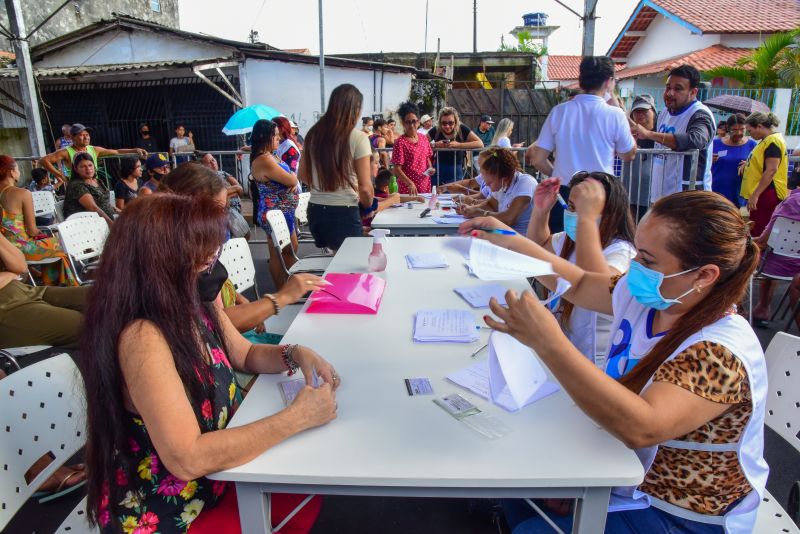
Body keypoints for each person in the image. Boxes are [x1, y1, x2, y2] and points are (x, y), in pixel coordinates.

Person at [461, 190, 767, 534]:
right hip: (618, 473)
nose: (634, 268)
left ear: (704, 275)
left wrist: (549, 342)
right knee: (520, 484)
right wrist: (505, 237)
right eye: (637, 254)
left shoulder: (719, 352)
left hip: (679, 513)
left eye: (648, 262)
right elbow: (575, 282)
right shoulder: (651, 298)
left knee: (530, 526)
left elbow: (642, 427)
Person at [78, 193, 339, 533]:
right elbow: (188, 458)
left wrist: (296, 353)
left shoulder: (192, 299)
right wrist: (297, 417)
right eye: (203, 258)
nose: (212, 266)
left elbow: (244, 353)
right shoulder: (143, 338)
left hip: (219, 480)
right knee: (300, 497)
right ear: (162, 262)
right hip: (174, 513)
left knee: (305, 492)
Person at [161, 162, 328, 334]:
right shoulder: (173, 267)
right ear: (186, 211)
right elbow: (216, 324)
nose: (224, 219)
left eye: (225, 209)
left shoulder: (199, 248)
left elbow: (218, 284)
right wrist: (279, 298)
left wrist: (245, 302)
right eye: (216, 211)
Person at [527, 172, 637, 365]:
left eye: (586, 208)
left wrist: (585, 221)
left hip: (592, 361)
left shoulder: (621, 251)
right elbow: (537, 247)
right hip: (561, 350)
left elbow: (599, 287)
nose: (574, 214)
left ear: (609, 212)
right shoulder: (570, 240)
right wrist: (541, 210)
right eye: (571, 207)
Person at [529, 56, 636, 233]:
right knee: (598, 247)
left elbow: (538, 159)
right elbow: (628, 154)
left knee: (558, 247)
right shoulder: (615, 115)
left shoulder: (559, 111)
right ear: (609, 82)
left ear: (580, 80)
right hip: (601, 191)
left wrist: (558, 175)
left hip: (565, 192)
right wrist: (620, 109)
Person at [299, 84, 374, 251]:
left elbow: (302, 174)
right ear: (355, 109)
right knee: (353, 265)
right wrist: (368, 206)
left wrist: (324, 186)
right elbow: (366, 188)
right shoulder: (358, 138)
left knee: (336, 261)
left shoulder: (312, 134)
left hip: (316, 211)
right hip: (344, 212)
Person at [631, 65, 716, 202]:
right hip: (660, 195)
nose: (670, 93)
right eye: (668, 87)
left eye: (678, 89)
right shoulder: (664, 113)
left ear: (693, 92)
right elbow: (656, 144)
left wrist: (649, 134)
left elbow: (696, 140)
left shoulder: (700, 114)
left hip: (688, 198)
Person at [0, 155, 78, 286]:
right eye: (18, 169)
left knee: (51, 242)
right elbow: (32, 230)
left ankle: (43, 278)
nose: (19, 172)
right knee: (58, 244)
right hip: (21, 249)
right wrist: (44, 235)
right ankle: (54, 284)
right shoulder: (22, 193)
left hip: (4, 251)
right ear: (11, 172)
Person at [251, 119, 300, 289]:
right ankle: (281, 290)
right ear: (265, 137)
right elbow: (292, 178)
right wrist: (292, 182)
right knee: (279, 253)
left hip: (284, 211)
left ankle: (285, 286)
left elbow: (292, 180)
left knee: (289, 249)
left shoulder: (272, 156)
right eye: (276, 136)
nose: (279, 139)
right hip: (274, 212)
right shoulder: (265, 160)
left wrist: (292, 182)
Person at [752, 173, 800, 326]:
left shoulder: (789, 203)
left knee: (762, 252)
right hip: (798, 267)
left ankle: (762, 307)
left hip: (774, 265)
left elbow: (765, 239)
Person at [456, 148, 536, 235]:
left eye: (490, 183)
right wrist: (471, 209)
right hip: (506, 235)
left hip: (522, 239)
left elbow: (508, 219)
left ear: (504, 178)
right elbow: (490, 205)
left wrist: (479, 212)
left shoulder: (526, 183)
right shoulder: (502, 184)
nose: (486, 185)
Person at [39, 123, 147, 184]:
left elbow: (117, 151)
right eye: (82, 135)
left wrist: (135, 149)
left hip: (93, 183)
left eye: (87, 134)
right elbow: (43, 160)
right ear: (72, 138)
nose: (86, 137)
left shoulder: (94, 149)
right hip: (76, 186)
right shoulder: (66, 152)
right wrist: (61, 175)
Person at [741, 111, 788, 237]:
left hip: (766, 192)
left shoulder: (772, 142)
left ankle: (759, 255)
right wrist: (748, 165)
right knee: (756, 226)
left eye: (750, 130)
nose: (749, 134)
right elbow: (763, 163)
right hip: (763, 191)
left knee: (759, 229)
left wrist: (755, 194)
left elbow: (771, 170)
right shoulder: (766, 141)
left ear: (760, 126)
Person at [623, 94, 657, 221]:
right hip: (629, 196)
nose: (640, 114)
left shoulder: (659, 133)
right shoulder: (627, 133)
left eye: (644, 111)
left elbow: (645, 135)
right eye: (636, 111)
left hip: (652, 199)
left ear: (653, 111)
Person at [427, 107, 483, 184]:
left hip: (456, 168)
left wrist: (459, 145)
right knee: (435, 193)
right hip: (438, 168)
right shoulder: (436, 129)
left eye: (451, 123)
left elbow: (480, 143)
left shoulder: (461, 129)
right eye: (444, 123)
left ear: (456, 122)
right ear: (440, 122)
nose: (447, 126)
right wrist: (435, 144)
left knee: (453, 194)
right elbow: (420, 144)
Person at [199, 153, 249, 240]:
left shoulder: (223, 174)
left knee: (244, 235)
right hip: (223, 210)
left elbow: (240, 190)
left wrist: (231, 191)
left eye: (213, 160)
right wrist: (232, 191)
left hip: (234, 208)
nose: (213, 163)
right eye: (209, 162)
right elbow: (214, 195)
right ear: (204, 166)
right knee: (239, 236)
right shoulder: (204, 179)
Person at [711, 114, 756, 207]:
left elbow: (760, 167)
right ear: (728, 128)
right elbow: (699, 163)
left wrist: (749, 165)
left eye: (742, 129)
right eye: (735, 130)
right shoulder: (715, 143)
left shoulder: (752, 145)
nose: (739, 133)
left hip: (739, 191)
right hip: (717, 189)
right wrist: (708, 160)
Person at [390, 101, 434, 195]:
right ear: (403, 123)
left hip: (425, 185)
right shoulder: (400, 142)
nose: (411, 125)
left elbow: (427, 157)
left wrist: (430, 168)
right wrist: (410, 183)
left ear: (418, 122)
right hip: (408, 189)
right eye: (408, 122)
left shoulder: (423, 138)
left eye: (414, 121)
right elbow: (397, 169)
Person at [63, 152, 116, 225]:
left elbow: (106, 204)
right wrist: (113, 225)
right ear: (76, 169)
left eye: (90, 165)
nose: (88, 169)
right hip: (87, 224)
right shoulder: (77, 185)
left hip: (106, 220)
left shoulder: (98, 181)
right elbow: (93, 208)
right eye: (83, 167)